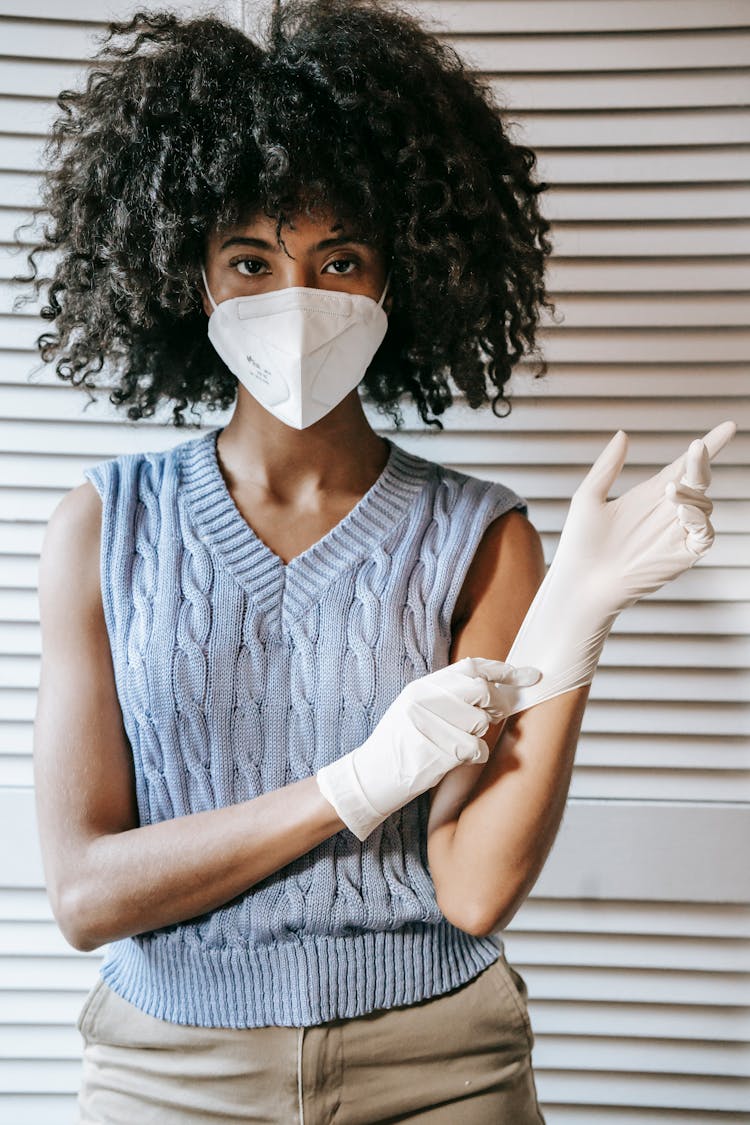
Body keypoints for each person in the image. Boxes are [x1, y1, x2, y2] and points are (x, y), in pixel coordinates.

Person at [27, 2, 735, 1123]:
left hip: (442, 1066)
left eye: (339, 258)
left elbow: (472, 887)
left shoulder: (479, 536)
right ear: (193, 278)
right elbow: (83, 893)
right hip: (167, 1073)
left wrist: (580, 612)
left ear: (402, 278)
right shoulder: (106, 528)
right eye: (250, 259)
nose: (295, 300)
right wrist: (353, 787)